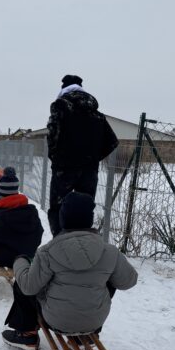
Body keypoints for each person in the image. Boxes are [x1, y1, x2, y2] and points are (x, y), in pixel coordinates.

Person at [2, 191, 137, 350]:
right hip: (94, 321)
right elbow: (128, 281)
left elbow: (29, 287)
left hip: (56, 320)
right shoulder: (110, 252)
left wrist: (20, 261)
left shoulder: (47, 252)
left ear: (62, 219)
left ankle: (27, 335)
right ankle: (85, 336)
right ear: (90, 219)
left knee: (24, 280)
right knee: (110, 278)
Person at [46, 74, 118, 237]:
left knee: (58, 208)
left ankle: (59, 243)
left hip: (64, 168)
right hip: (89, 171)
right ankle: (83, 244)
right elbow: (112, 142)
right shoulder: (96, 114)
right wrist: (92, 158)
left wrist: (56, 158)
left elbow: (53, 135)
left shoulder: (60, 106)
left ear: (64, 89)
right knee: (85, 209)